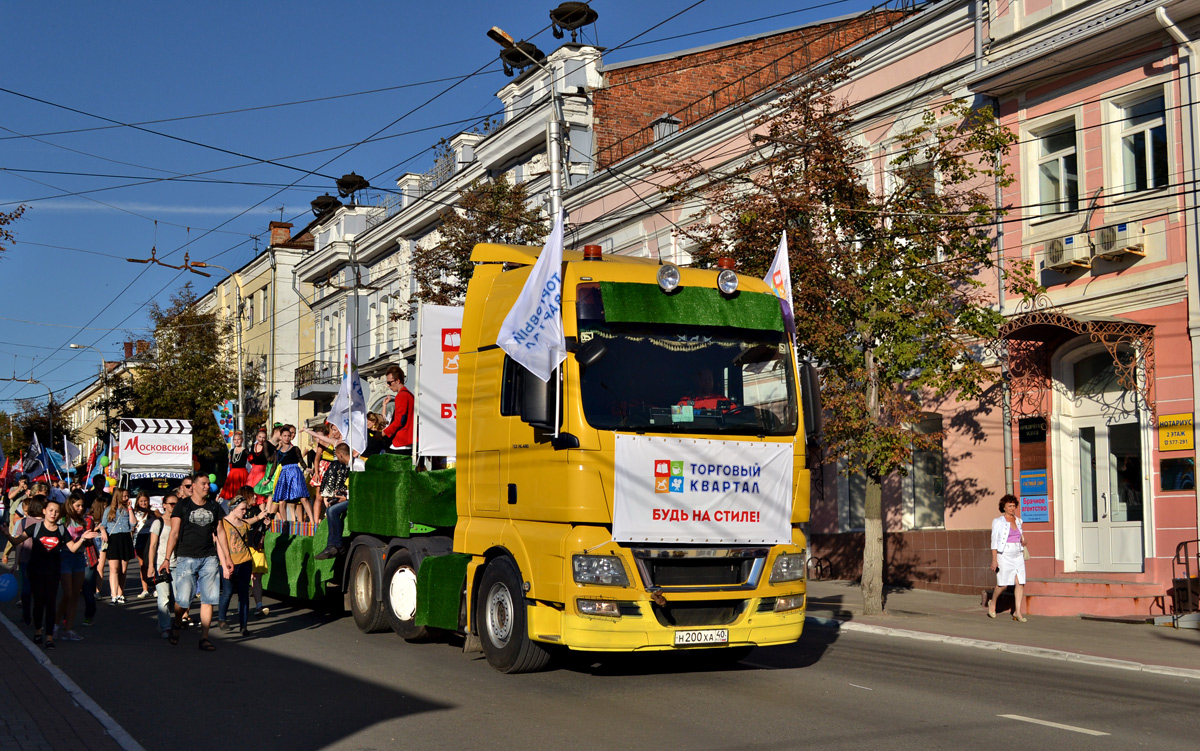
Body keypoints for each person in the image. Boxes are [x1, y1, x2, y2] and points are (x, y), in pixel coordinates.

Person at [2, 497, 98, 649]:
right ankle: (38, 631)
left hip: (53, 571)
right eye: (51, 511)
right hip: (35, 571)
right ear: (44, 511)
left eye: (56, 512)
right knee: (39, 602)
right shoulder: (36, 528)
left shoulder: (61, 530)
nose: (53, 514)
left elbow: (72, 548)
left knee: (51, 602)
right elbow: (16, 542)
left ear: (59, 514)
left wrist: (82, 538)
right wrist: (7, 534)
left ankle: (49, 637)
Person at [158, 472, 233, 651]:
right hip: (186, 557)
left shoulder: (214, 506)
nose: (208, 486)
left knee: (209, 599)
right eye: (204, 484)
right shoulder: (182, 505)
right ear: (194, 486)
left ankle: (204, 638)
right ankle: (177, 622)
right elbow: (174, 533)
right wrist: (167, 559)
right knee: (183, 601)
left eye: (208, 484)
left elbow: (221, 532)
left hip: (209, 557)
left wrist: (228, 557)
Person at [217, 498, 267, 636]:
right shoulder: (223, 523)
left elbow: (251, 522)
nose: (245, 512)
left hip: (245, 561)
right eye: (242, 509)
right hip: (229, 562)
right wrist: (224, 565)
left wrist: (261, 518)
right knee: (227, 592)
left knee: (243, 593)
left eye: (246, 509)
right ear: (233, 508)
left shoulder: (243, 523)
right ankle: (221, 619)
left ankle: (243, 626)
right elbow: (220, 546)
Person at [55, 492, 90, 641]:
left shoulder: (83, 520)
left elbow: (85, 542)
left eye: (82, 506)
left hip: (79, 557)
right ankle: (56, 624)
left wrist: (88, 538)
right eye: (77, 506)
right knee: (67, 593)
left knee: (76, 594)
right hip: (65, 556)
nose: (80, 508)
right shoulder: (63, 520)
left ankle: (68, 629)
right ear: (70, 505)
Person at [989, 494, 1028, 622]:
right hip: (1004, 555)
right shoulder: (998, 521)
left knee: (1020, 582)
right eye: (1009, 506)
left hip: (1018, 553)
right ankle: (993, 602)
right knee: (1002, 584)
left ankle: (1017, 611)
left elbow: (1020, 537)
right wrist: (994, 560)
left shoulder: (1018, 520)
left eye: (1013, 506)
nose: (1012, 508)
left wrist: (1023, 541)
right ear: (1004, 507)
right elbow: (994, 542)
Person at [146, 493, 178, 639]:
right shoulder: (158, 523)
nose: (174, 506)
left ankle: (165, 621)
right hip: (161, 564)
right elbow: (152, 545)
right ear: (164, 505)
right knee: (164, 597)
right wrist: (151, 566)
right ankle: (166, 627)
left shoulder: (179, 522)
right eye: (171, 504)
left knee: (178, 598)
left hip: (178, 564)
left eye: (176, 504)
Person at [315, 444, 353, 560]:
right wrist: (343, 493)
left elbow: (361, 488)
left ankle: (336, 544)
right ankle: (332, 545)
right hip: (350, 496)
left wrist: (346, 497)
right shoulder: (349, 465)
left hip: (356, 499)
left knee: (332, 511)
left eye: (337, 456)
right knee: (331, 508)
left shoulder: (356, 465)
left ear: (340, 455)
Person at [99, 488, 135, 604]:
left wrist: (130, 509)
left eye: (127, 496)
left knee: (123, 570)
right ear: (118, 496)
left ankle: (120, 593)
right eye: (124, 496)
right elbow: (102, 525)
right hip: (113, 539)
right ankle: (113, 595)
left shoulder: (127, 510)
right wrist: (103, 532)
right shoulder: (109, 510)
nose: (126, 498)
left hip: (125, 538)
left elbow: (133, 523)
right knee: (114, 569)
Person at [272, 425, 310, 524]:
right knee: (282, 500)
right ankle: (285, 523)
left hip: (295, 474)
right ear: (281, 436)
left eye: (289, 435)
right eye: (284, 436)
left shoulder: (295, 448)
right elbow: (274, 464)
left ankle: (312, 521)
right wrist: (268, 478)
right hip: (284, 475)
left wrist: (306, 468)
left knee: (302, 498)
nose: (287, 438)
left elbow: (300, 460)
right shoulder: (278, 452)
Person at [382, 365, 415, 455]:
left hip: (400, 442)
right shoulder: (410, 395)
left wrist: (385, 432)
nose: (388, 386)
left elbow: (400, 420)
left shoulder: (401, 396)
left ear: (398, 381)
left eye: (390, 382)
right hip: (409, 441)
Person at [131, 491, 156, 599]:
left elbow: (159, 516)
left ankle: (155, 588)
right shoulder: (135, 512)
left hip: (150, 538)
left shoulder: (153, 511)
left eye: (145, 501)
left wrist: (149, 511)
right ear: (137, 502)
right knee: (142, 565)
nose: (143, 503)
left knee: (152, 563)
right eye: (141, 501)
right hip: (139, 538)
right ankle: (145, 589)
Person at [220, 431, 250, 502]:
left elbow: (252, 460)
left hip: (242, 473)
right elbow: (230, 463)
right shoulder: (232, 451)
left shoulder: (245, 451)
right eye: (235, 440)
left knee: (243, 492)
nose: (237, 441)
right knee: (232, 493)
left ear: (242, 440)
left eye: (238, 439)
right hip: (233, 473)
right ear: (233, 441)